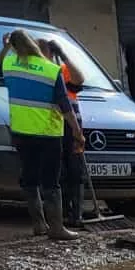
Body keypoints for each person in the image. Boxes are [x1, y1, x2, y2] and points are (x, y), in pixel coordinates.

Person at [0, 29, 74, 240]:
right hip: (48, 133)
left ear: (15, 46)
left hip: (22, 132)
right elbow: (65, 105)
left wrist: (5, 47)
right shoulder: (50, 69)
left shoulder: (10, 64)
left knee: (29, 178)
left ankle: (39, 224)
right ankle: (57, 228)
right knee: (51, 181)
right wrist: (76, 131)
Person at [41, 39, 87, 228]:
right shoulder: (37, 73)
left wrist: (65, 56)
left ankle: (76, 215)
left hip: (72, 125)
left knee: (76, 171)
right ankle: (61, 214)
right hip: (51, 127)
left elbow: (79, 80)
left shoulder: (62, 71)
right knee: (58, 173)